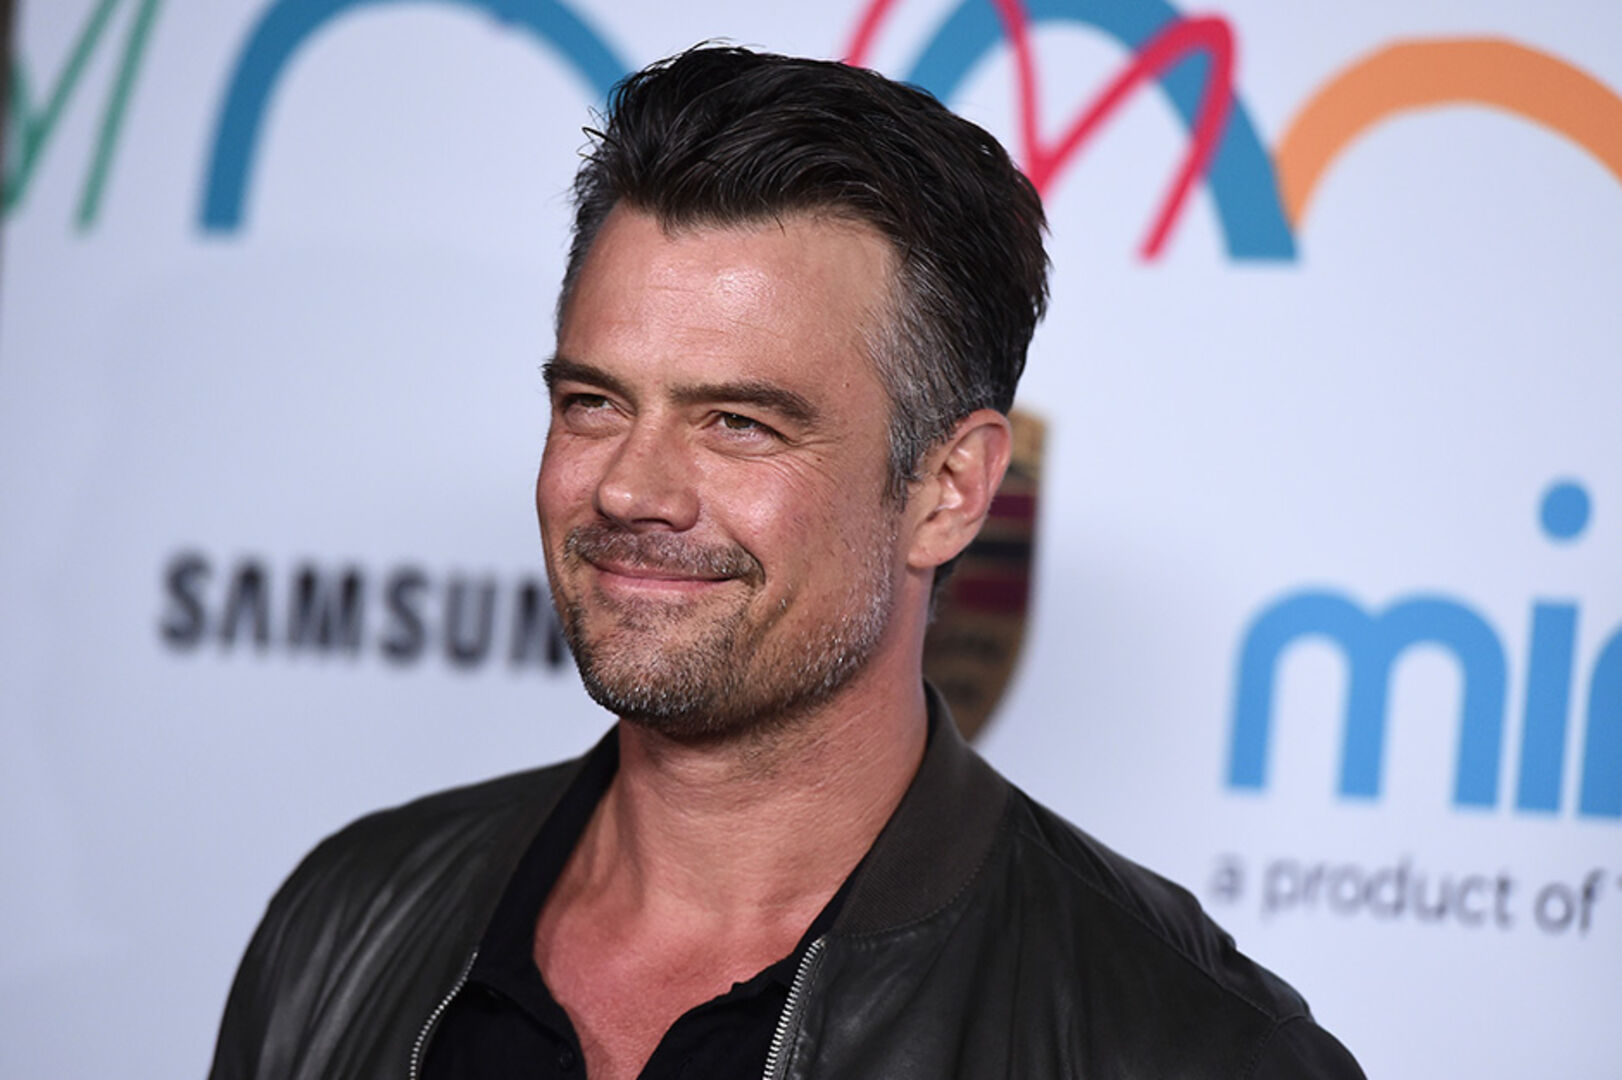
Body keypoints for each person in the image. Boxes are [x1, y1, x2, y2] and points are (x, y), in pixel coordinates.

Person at [209, 46, 1364, 1080]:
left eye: (738, 423)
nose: (629, 490)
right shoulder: (349, 920)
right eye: (594, 402)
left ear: (947, 490)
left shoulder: (1186, 1047)